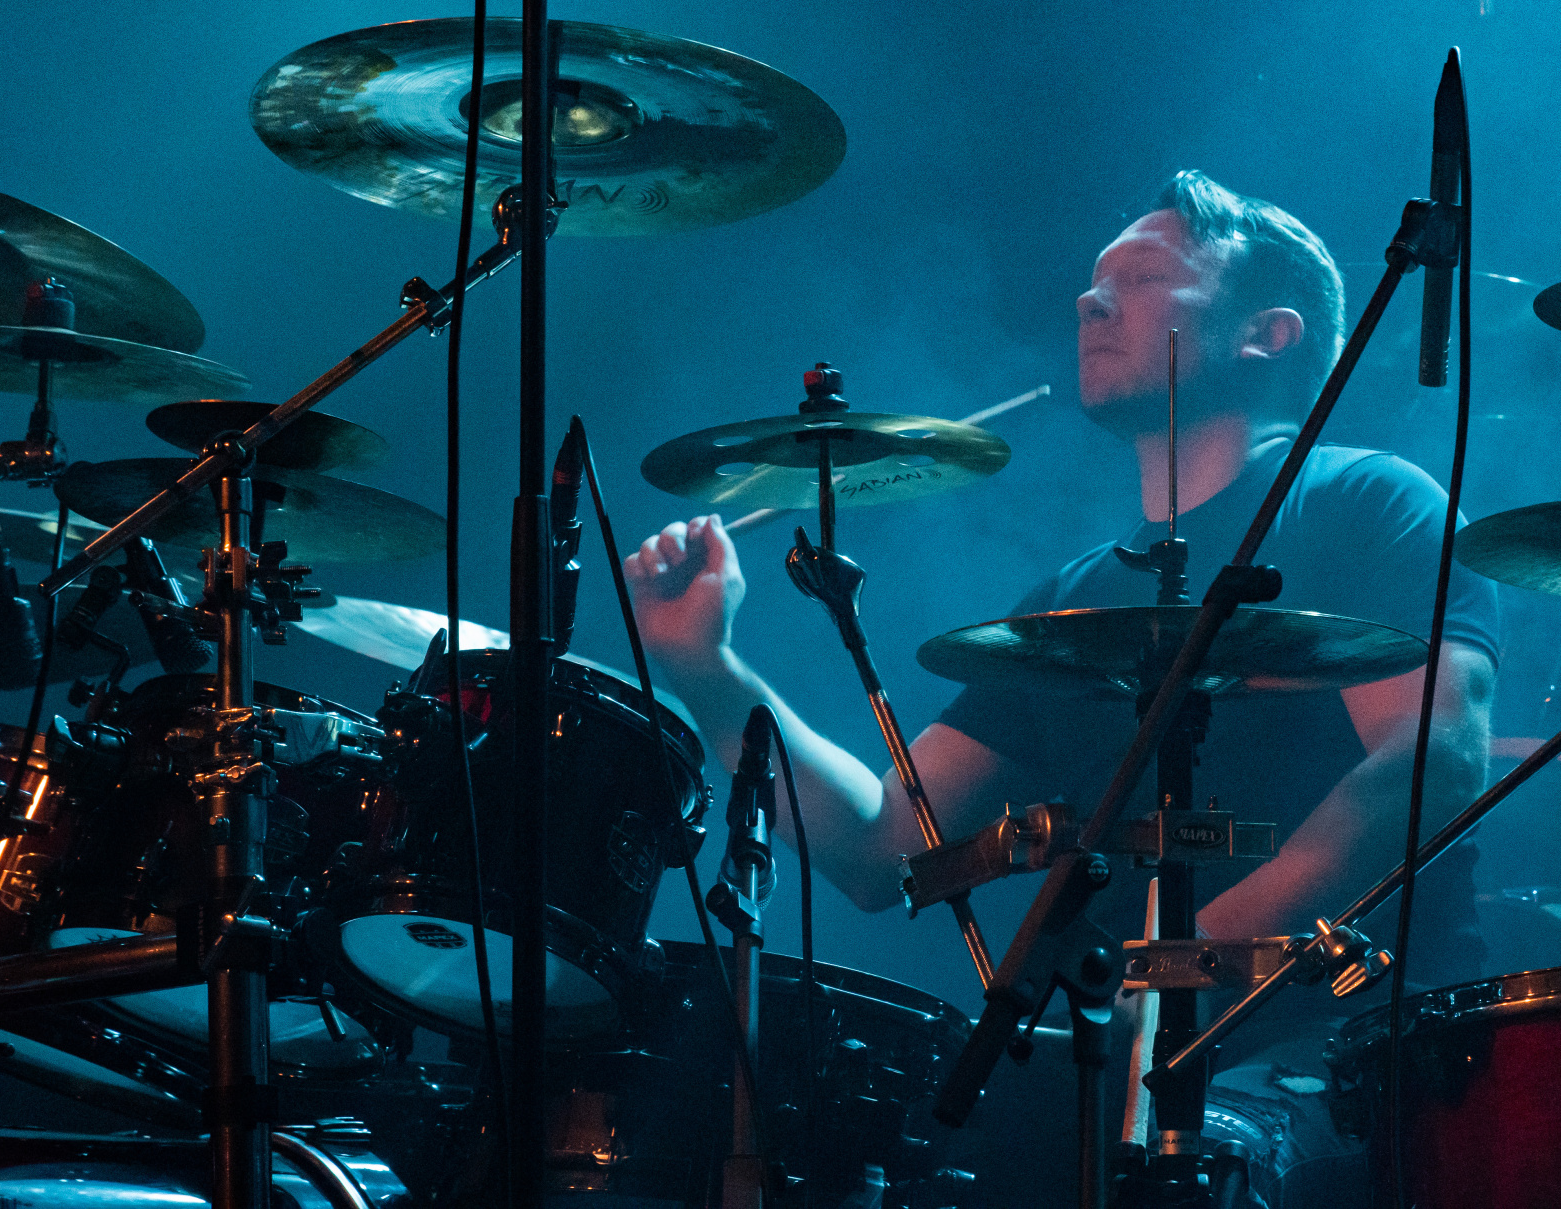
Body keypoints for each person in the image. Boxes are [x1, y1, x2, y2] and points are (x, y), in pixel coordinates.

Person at [627, 170, 1499, 1205]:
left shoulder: (1370, 502)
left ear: (1265, 333)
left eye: (1141, 277)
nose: (1091, 300)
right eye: (1092, 282)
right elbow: (884, 851)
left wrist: (1189, 961)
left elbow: (1432, 760)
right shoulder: (1076, 598)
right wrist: (706, 668)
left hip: (1350, 1044)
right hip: (1118, 1058)